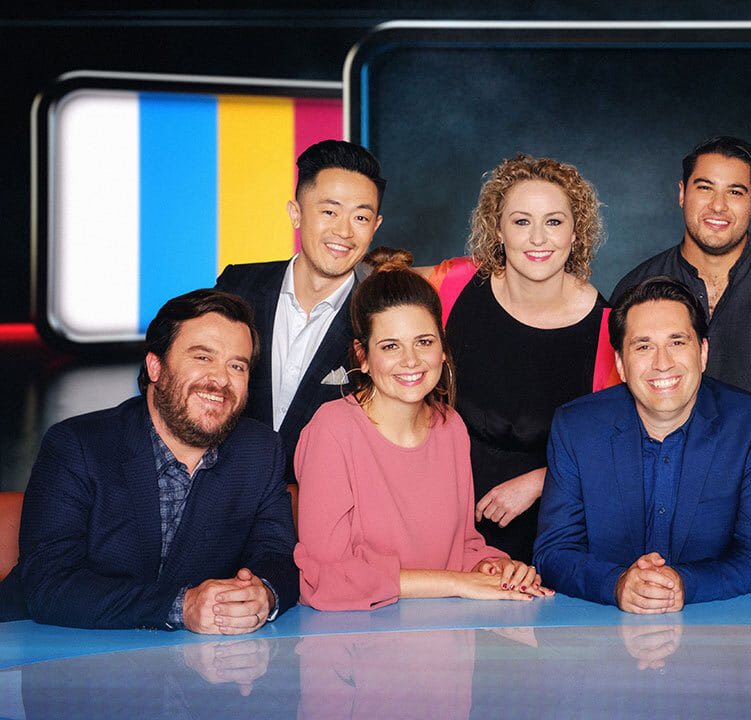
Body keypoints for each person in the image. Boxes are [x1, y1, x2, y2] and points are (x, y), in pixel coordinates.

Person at [0, 289, 298, 631]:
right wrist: (180, 606)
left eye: (237, 366)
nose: (220, 379)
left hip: (190, 658)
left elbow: (278, 555)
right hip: (43, 646)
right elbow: (49, 586)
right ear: (155, 366)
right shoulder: (76, 446)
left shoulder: (260, 450)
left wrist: (263, 594)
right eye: (203, 357)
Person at [293, 248, 551, 611]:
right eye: (390, 346)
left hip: (446, 636)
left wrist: (493, 567)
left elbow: (463, 546)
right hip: (359, 639)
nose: (411, 360)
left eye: (424, 342)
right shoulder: (331, 430)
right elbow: (325, 578)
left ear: (443, 348)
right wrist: (459, 583)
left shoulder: (451, 427)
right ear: (363, 357)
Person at [534, 277, 751, 613]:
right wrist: (617, 584)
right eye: (643, 346)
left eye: (677, 342)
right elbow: (554, 552)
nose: (662, 363)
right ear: (620, 364)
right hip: (600, 628)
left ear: (703, 353)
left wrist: (685, 583)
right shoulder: (577, 427)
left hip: (715, 625)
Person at [425, 154, 618, 562]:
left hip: (548, 533)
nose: (538, 239)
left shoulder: (606, 328)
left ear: (576, 231)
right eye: (521, 221)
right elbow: (374, 289)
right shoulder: (454, 285)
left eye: (554, 221)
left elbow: (619, 447)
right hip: (438, 516)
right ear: (498, 229)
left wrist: (538, 482)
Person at [612, 136, 751, 477]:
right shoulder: (636, 288)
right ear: (682, 193)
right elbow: (617, 403)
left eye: (735, 192)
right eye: (705, 188)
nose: (718, 206)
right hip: (659, 485)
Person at [216, 139, 386, 483]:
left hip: (318, 501)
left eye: (361, 217)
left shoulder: (378, 320)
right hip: (221, 487)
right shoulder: (238, 285)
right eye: (329, 212)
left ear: (375, 226)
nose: (344, 231)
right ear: (296, 213)